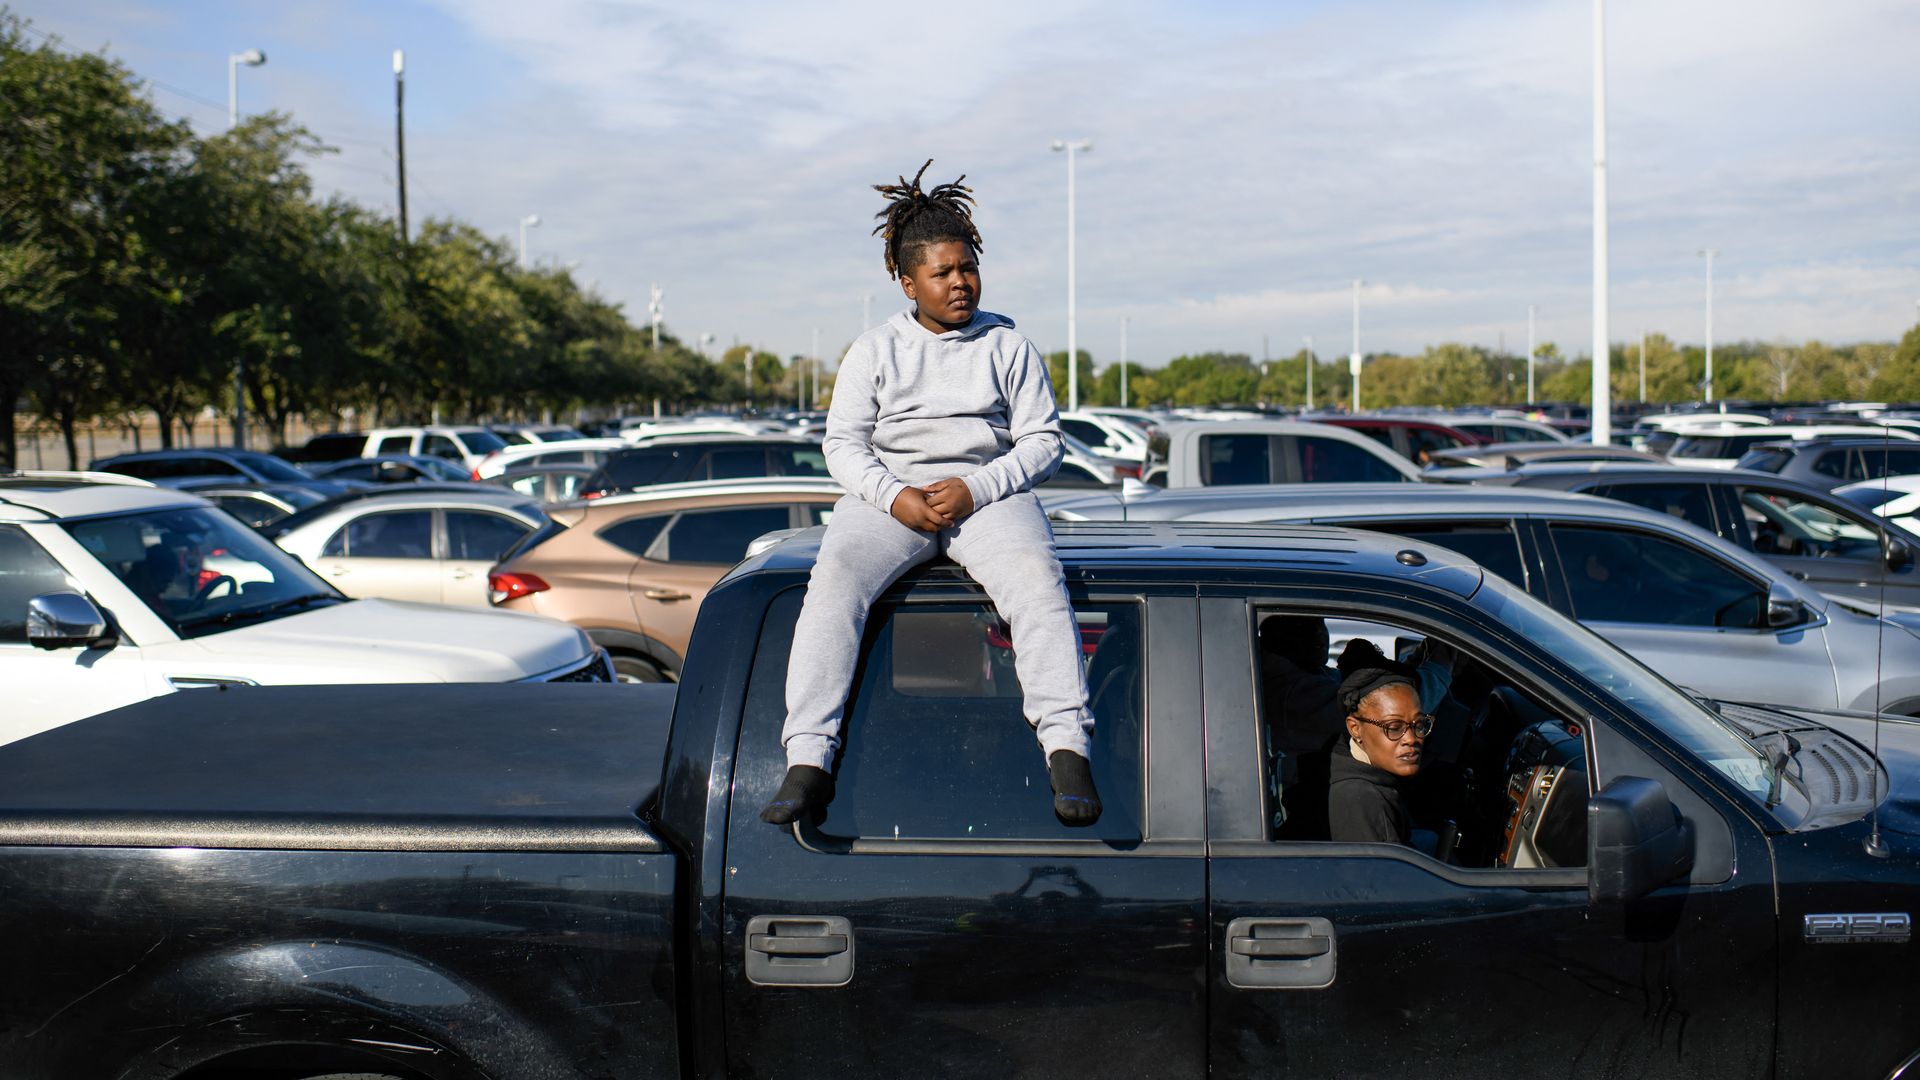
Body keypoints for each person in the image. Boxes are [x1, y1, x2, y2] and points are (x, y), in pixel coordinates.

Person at [760, 161, 1101, 828]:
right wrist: (894, 498)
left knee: (1036, 581)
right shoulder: (874, 349)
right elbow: (843, 445)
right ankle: (808, 760)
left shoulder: (1008, 344)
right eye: (942, 273)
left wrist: (977, 488)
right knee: (833, 585)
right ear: (907, 280)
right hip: (892, 502)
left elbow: (1042, 443)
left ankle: (1067, 749)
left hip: (990, 499)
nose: (960, 283)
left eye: (967, 268)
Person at [1327, 662, 1430, 845]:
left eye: (1419, 725)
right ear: (1355, 728)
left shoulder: (1374, 780)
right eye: (1394, 727)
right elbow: (1380, 874)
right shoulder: (1362, 798)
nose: (1411, 739)